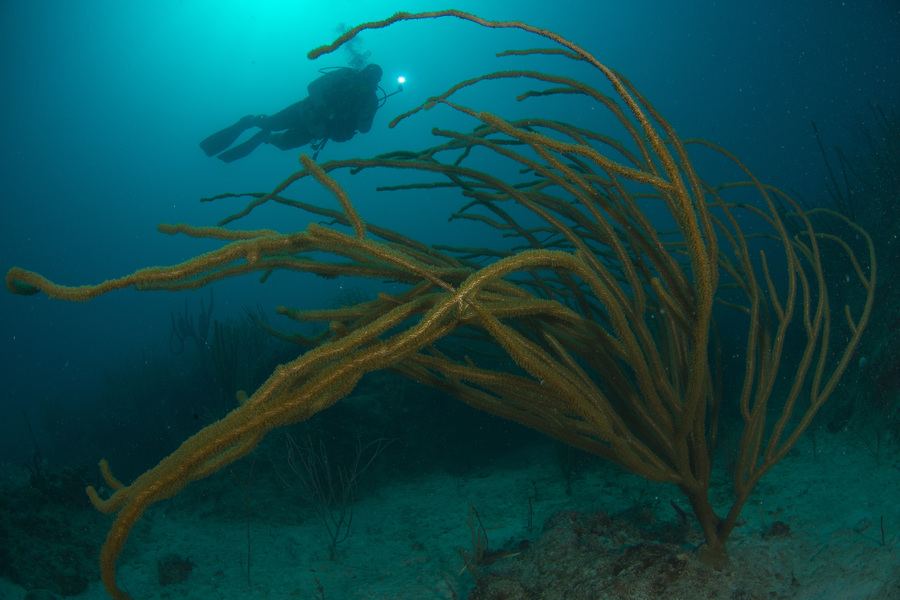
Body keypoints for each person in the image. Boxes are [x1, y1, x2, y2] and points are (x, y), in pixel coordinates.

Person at [200, 64, 383, 162]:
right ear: (363, 71)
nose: (368, 80)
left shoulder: (371, 101)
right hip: (302, 112)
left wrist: (367, 114)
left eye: (373, 79)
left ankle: (265, 138)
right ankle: (250, 121)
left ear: (377, 82)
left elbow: (364, 129)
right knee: (268, 123)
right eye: (368, 74)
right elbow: (313, 86)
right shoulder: (344, 74)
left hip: (316, 131)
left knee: (284, 145)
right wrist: (322, 107)